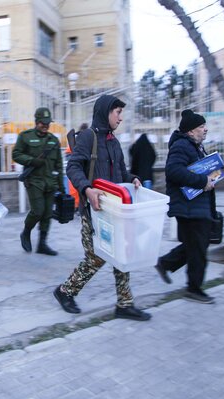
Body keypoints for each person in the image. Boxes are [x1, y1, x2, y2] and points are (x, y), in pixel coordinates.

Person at [52, 94, 151, 321]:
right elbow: (73, 167)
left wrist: (133, 178)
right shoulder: (88, 137)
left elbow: (121, 174)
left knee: (121, 253)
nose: (121, 117)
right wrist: (87, 189)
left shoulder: (114, 142)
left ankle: (124, 304)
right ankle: (64, 291)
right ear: (105, 112)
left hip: (114, 210)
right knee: (96, 257)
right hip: (94, 211)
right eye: (118, 112)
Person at [155, 109, 216, 304]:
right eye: (201, 127)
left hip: (197, 205)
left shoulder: (195, 146)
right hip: (188, 206)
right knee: (198, 248)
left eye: (204, 126)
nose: (205, 129)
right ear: (190, 131)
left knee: (197, 245)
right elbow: (173, 171)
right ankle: (194, 289)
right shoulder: (182, 146)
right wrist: (202, 182)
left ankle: (165, 263)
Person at [12, 107, 64, 256]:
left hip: (50, 183)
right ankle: (26, 232)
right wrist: (32, 161)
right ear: (36, 122)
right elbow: (16, 154)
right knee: (38, 211)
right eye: (43, 123)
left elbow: (59, 166)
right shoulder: (25, 137)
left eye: (48, 123)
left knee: (47, 214)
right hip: (34, 181)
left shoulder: (54, 141)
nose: (45, 125)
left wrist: (61, 187)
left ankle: (42, 244)